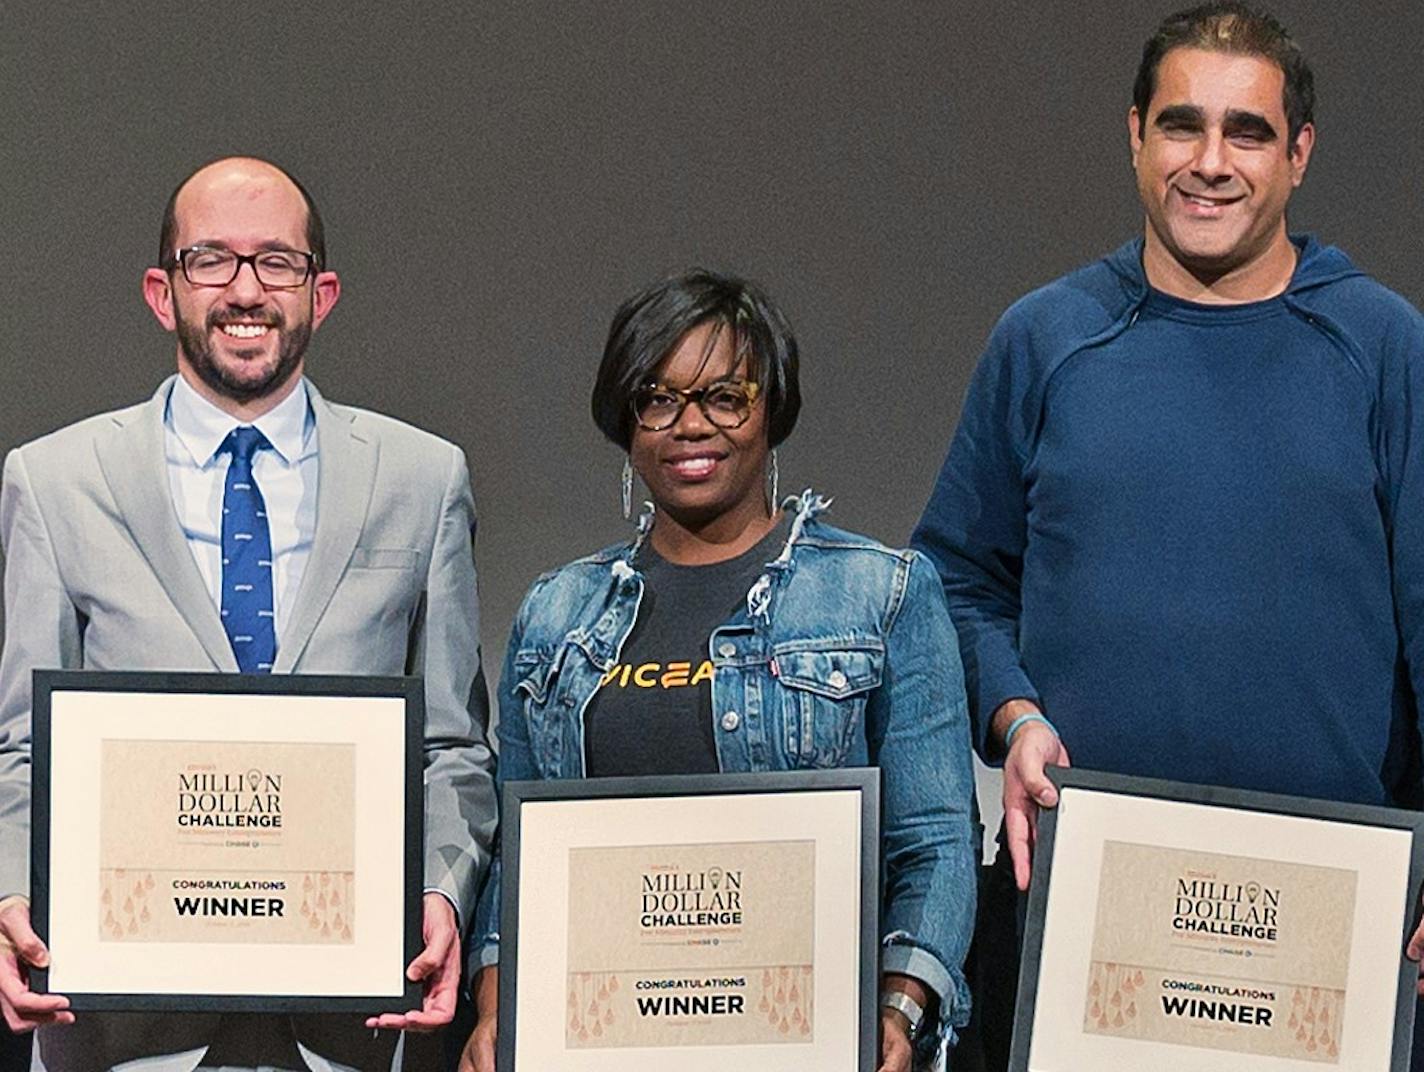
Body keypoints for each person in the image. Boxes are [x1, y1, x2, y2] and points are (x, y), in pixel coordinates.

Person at [910, 2, 1424, 1067]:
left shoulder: (1379, 345)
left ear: (1297, 154)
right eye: (1180, 125)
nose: (1209, 162)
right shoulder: (1045, 338)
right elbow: (949, 583)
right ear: (1133, 135)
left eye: (1245, 132)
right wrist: (1010, 717)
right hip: (1087, 913)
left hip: (1329, 926)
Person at [0, 157, 498, 1071]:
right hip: (118, 1025)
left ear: (323, 291)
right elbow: (23, 746)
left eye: (277, 262)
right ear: (162, 292)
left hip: (347, 1020)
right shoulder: (55, 480)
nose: (244, 290)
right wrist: (8, 896)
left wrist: (442, 889)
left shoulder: (423, 480)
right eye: (211, 261)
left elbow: (452, 745)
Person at [458, 269, 976, 1072]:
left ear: (772, 410)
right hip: (599, 1045)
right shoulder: (556, 613)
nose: (689, 425)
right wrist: (497, 1009)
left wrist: (898, 1012)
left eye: (724, 397)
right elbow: (513, 862)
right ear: (625, 424)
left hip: (803, 1045)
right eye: (657, 399)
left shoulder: (883, 593)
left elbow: (934, 842)